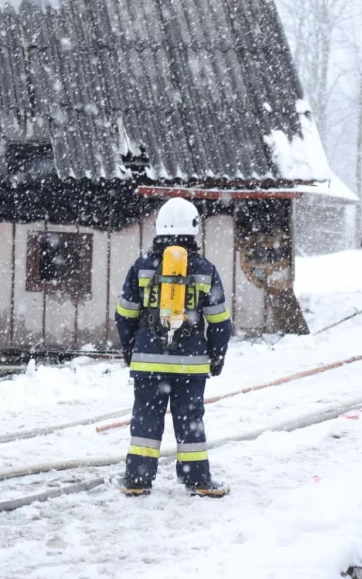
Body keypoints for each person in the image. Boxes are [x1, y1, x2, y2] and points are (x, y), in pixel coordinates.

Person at [114, 198, 233, 498]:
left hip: (148, 362)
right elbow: (220, 322)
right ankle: (198, 480)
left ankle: (136, 480)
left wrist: (131, 349)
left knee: (146, 418)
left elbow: (124, 314)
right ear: (194, 229)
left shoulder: (141, 267)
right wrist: (216, 357)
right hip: (190, 365)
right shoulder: (205, 270)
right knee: (190, 419)